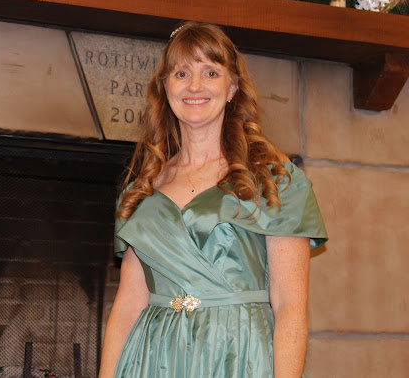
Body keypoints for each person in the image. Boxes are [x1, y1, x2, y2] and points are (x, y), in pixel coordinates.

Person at [99, 22, 328, 378]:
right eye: (181, 73)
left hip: (238, 355)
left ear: (232, 87)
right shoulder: (141, 189)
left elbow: (290, 307)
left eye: (210, 72)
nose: (195, 86)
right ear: (165, 86)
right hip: (152, 358)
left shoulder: (273, 179)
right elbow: (128, 305)